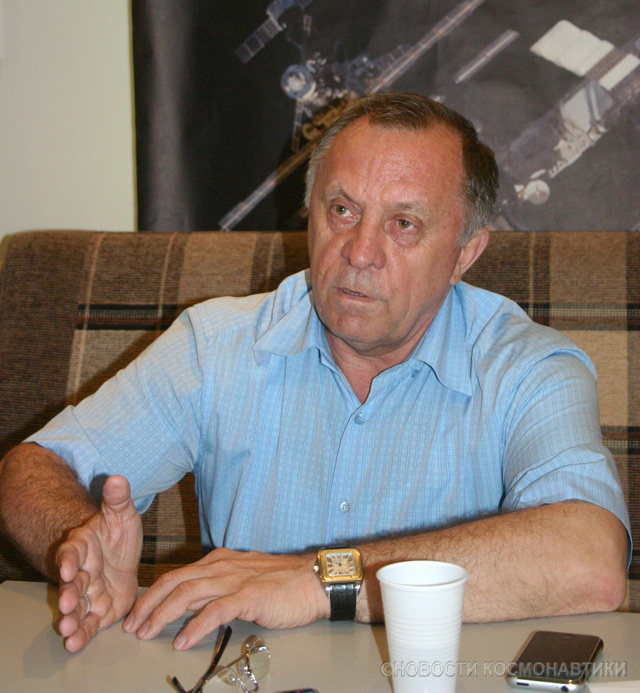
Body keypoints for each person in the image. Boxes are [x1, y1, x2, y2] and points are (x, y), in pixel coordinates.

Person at [0, 93, 630, 655]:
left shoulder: (529, 368)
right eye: (342, 210)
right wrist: (79, 544)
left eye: (403, 224)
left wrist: (319, 580)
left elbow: (591, 560)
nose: (359, 252)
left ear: (465, 253)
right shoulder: (217, 345)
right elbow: (34, 467)